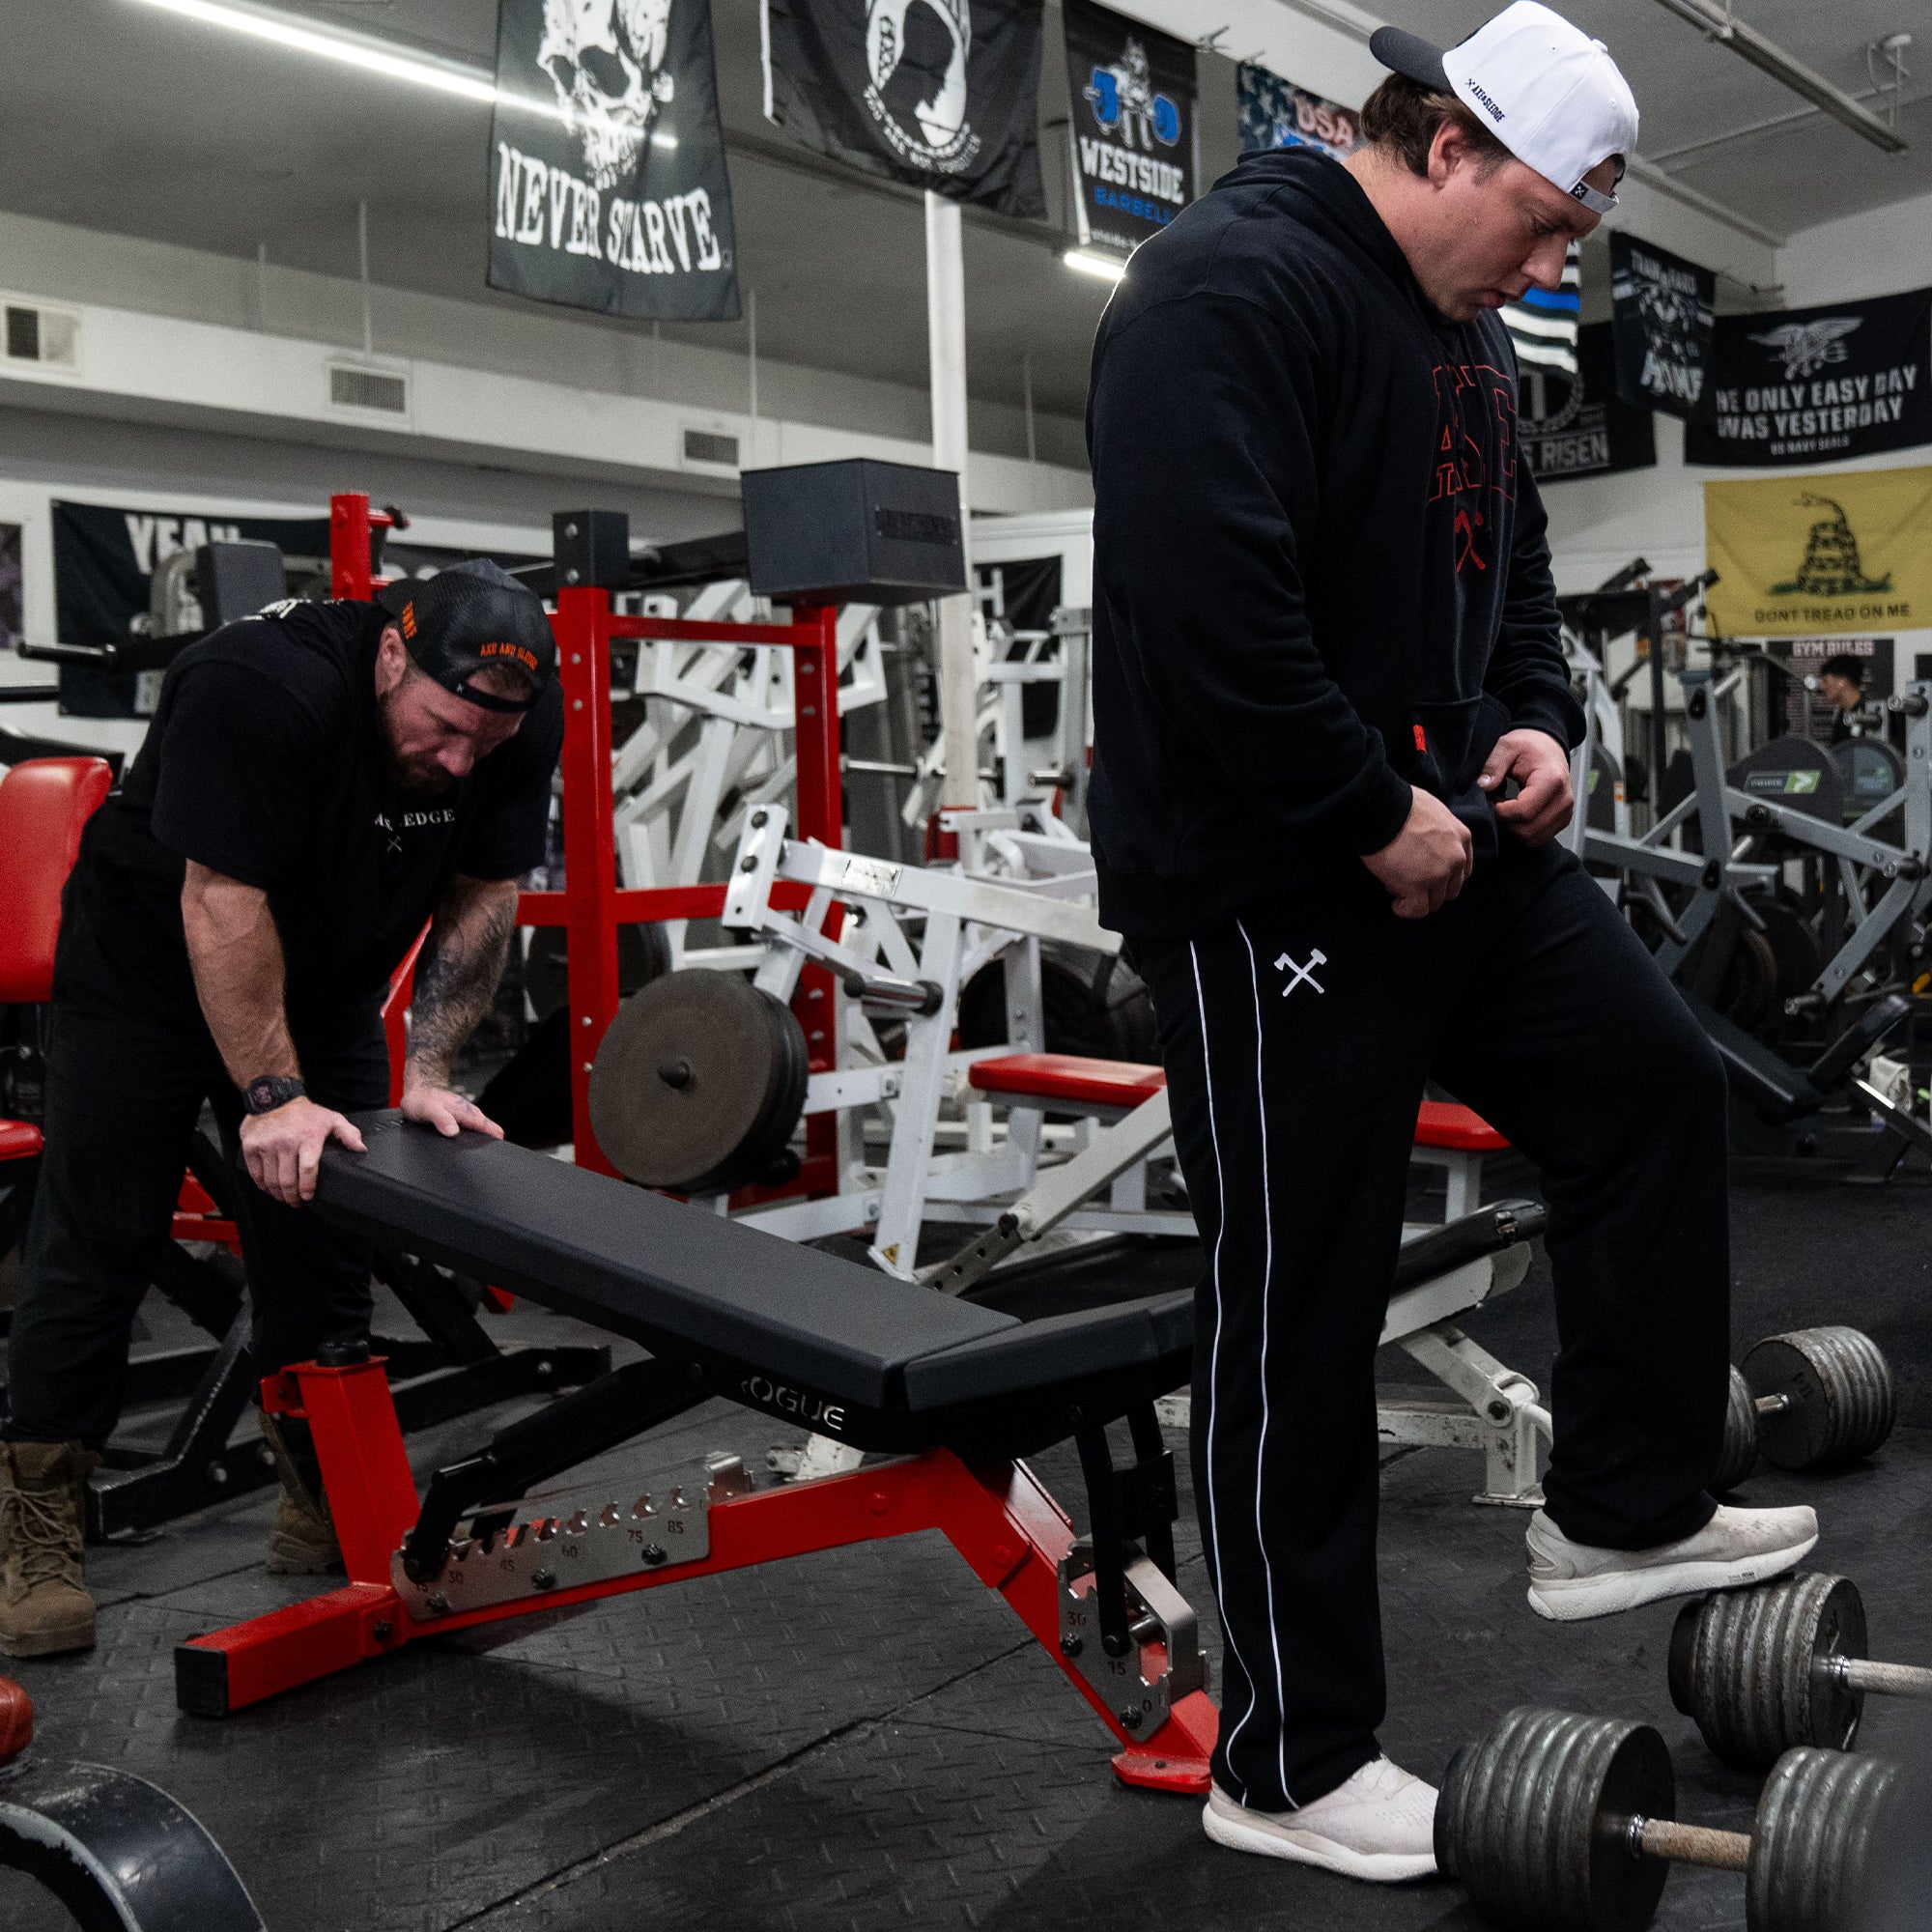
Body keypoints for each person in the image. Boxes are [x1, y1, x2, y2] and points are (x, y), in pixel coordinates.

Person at [1085, 0, 1820, 1887]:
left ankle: (1621, 1504)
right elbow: (1200, 606)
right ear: (1443, 148)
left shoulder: (1463, 330)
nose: (1556, 262)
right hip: (1267, 882)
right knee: (1301, 1301)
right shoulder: (1218, 288)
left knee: (1650, 1082)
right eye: (1551, 222)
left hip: (1447, 840)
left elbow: (1514, 565)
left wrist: (1538, 724)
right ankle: (1289, 1752)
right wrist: (1361, 808)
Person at [0, 560, 563, 1659]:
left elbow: (483, 892)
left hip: (324, 974)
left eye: (481, 746)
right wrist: (269, 1094)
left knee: (325, 1235)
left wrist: (433, 1070)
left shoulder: (507, 720)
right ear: (391, 657)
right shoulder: (258, 684)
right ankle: (38, 1525)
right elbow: (219, 898)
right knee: (100, 1233)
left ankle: (325, 1494)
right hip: (149, 968)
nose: (458, 761)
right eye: (443, 729)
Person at [1814, 651, 1868, 742]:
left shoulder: (1868, 712)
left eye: (1826, 681)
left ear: (1842, 682)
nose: (1822, 686)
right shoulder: (1840, 712)